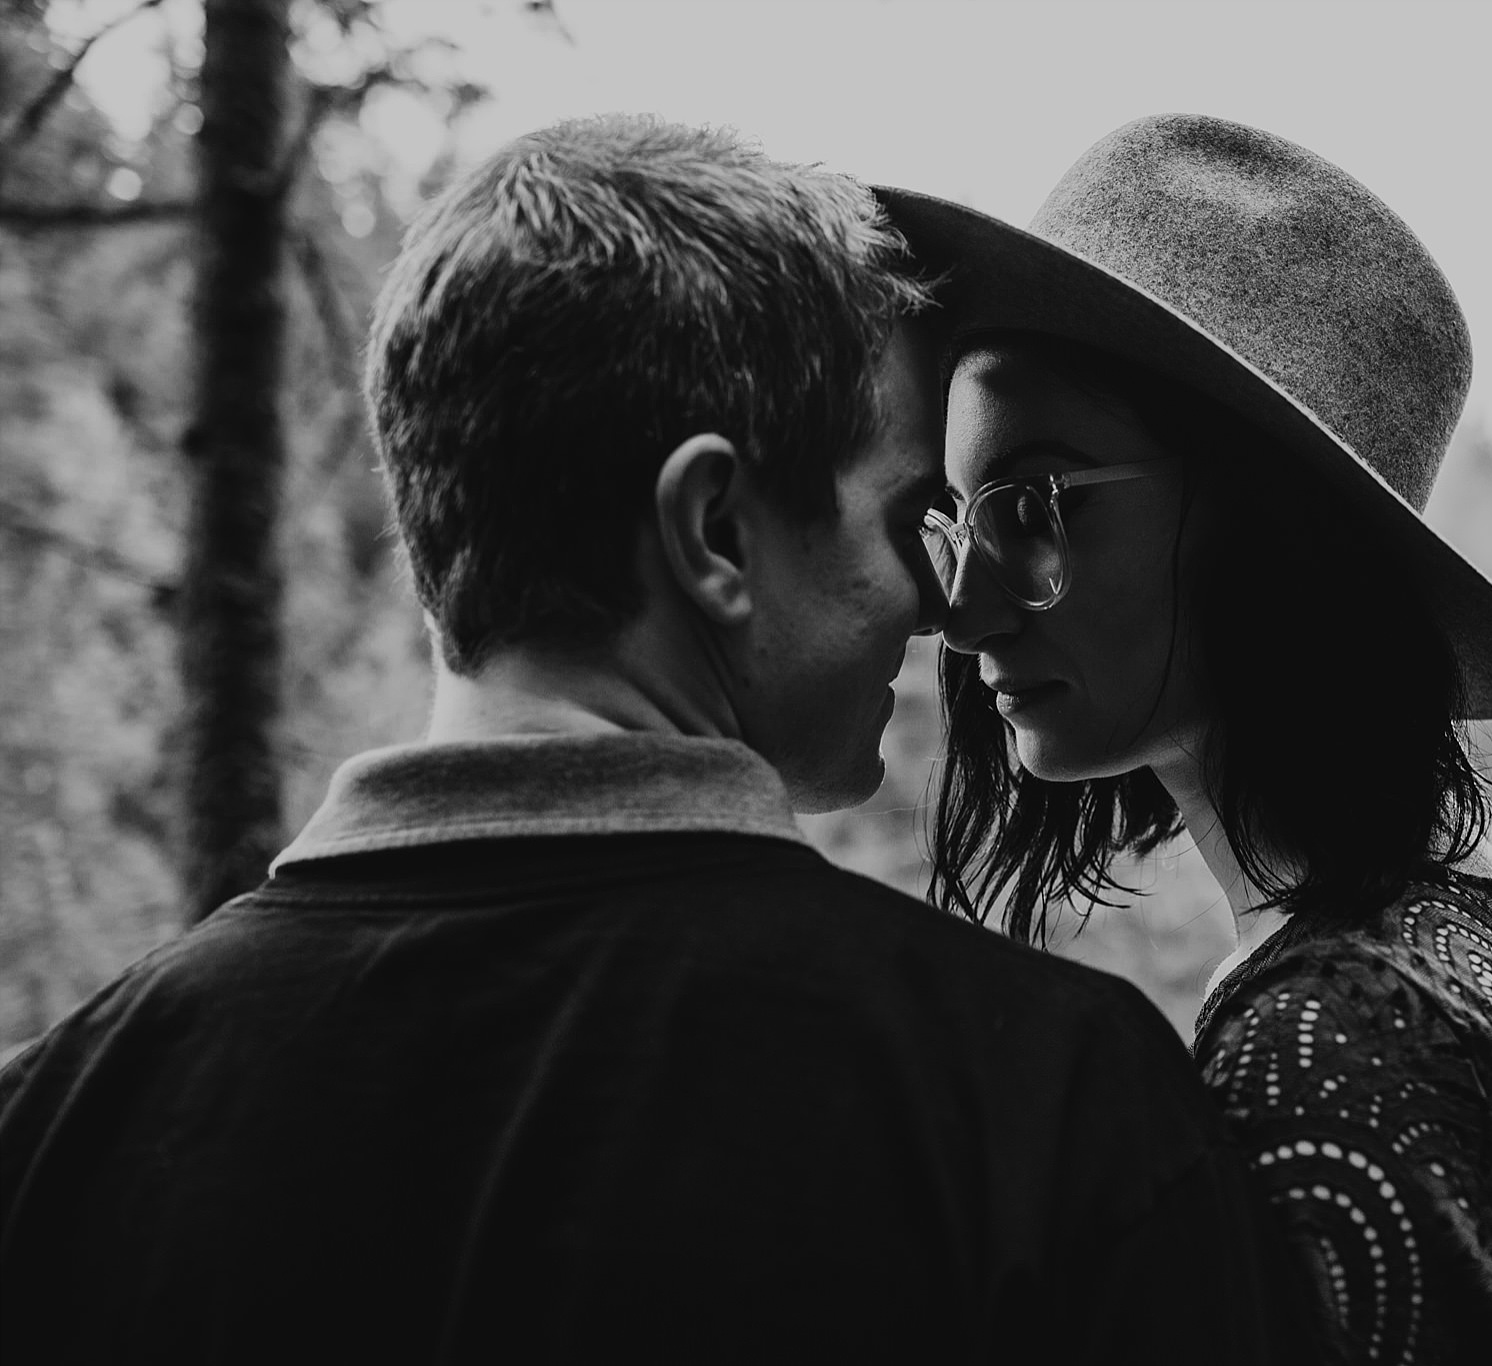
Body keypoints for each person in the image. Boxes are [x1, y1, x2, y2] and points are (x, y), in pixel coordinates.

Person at [0, 115, 1300, 1365]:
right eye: (909, 514)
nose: (941, 603)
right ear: (717, 532)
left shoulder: (49, 1129)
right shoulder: (1048, 1115)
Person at [884, 114, 1492, 1364]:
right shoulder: (1468, 939)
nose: (963, 604)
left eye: (1034, 506)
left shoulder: (1324, 1055)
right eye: (957, 517)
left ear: (1267, 527)